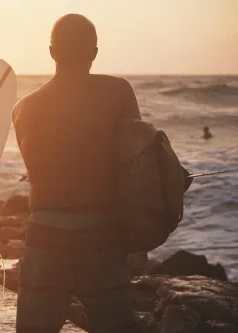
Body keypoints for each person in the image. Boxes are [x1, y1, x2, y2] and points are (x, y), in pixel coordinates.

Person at [12, 14, 142, 333]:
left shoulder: (23, 109)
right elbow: (139, 168)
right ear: (94, 52)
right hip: (100, 232)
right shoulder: (118, 92)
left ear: (52, 52)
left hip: (44, 234)